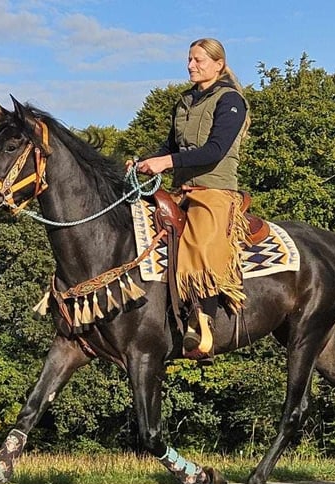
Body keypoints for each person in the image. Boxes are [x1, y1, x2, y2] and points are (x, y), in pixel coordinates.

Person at [131, 38, 250, 361]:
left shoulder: (231, 102)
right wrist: (143, 162)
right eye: (189, 59)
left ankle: (204, 325)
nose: (190, 65)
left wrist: (166, 163)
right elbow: (170, 147)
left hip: (215, 190)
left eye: (198, 60)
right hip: (182, 190)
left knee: (200, 242)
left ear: (218, 65)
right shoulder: (184, 101)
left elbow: (215, 150)